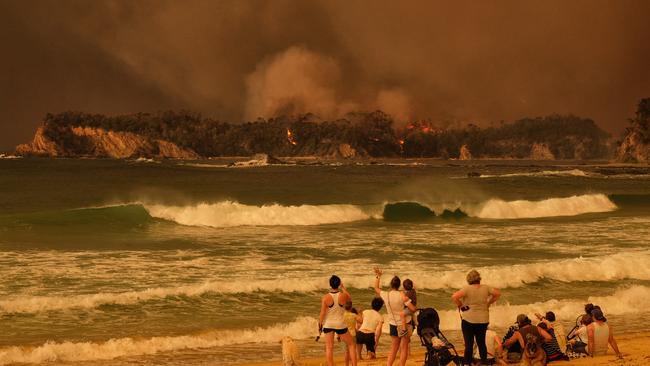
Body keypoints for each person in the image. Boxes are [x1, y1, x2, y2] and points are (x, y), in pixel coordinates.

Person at [451, 269, 501, 365]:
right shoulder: (486, 288)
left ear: (469, 280)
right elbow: (498, 294)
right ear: (479, 278)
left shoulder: (466, 288)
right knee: (481, 343)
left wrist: (461, 305)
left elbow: (454, 297)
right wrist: (489, 303)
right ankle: (484, 362)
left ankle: (466, 364)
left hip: (468, 320)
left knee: (469, 345)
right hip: (483, 320)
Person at [373, 267, 416, 366]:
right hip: (405, 323)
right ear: (399, 285)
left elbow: (376, 288)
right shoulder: (402, 295)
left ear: (391, 285)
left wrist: (378, 276)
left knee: (394, 348)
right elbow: (413, 309)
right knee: (404, 347)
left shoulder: (386, 294)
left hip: (393, 324)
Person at [319, 275, 357, 366]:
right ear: (339, 284)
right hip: (340, 324)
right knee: (351, 345)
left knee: (329, 348)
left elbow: (322, 313)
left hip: (328, 324)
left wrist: (320, 325)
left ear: (330, 284)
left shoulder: (325, 297)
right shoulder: (343, 296)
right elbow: (349, 298)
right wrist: (343, 288)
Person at [343, 301, 358, 366]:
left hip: (344, 334)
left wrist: (338, 335)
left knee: (346, 352)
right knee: (353, 351)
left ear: (344, 307)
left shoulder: (342, 315)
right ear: (351, 307)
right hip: (352, 334)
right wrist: (358, 313)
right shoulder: (354, 315)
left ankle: (346, 365)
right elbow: (361, 320)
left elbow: (339, 326)